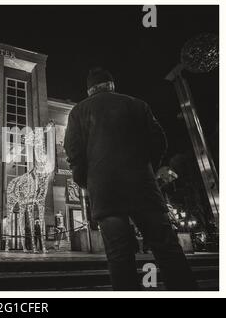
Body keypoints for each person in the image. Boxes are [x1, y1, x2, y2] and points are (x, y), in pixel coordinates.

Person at [64, 67, 197, 290]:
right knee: (167, 248)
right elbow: (159, 140)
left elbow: (73, 151)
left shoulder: (78, 111)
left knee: (119, 254)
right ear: (112, 85)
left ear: (89, 90)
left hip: (106, 192)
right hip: (142, 187)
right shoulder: (136, 104)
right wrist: (147, 169)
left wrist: (86, 180)